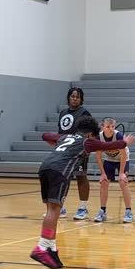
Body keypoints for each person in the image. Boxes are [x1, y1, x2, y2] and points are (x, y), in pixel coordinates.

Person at [31, 114, 135, 269]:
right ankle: (42, 247)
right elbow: (105, 147)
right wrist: (124, 142)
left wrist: (57, 140)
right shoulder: (87, 141)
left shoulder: (66, 137)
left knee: (51, 209)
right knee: (54, 210)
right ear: (90, 134)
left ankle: (51, 249)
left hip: (44, 167)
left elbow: (45, 135)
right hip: (59, 171)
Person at [56, 87, 93, 220]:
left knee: (80, 177)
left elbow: (90, 132)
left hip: (79, 150)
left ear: (81, 99)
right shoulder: (63, 113)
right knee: (61, 178)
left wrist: (86, 149)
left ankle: (83, 208)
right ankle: (60, 207)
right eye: (72, 96)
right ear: (68, 98)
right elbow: (60, 132)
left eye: (77, 97)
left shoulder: (84, 112)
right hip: (64, 150)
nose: (75, 98)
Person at [93, 118, 134, 223]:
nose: (110, 129)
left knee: (123, 182)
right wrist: (102, 173)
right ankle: (103, 211)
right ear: (102, 127)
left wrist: (121, 173)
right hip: (108, 159)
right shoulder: (99, 137)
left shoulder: (118, 136)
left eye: (112, 127)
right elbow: (98, 157)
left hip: (122, 159)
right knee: (104, 183)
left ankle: (129, 212)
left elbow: (124, 155)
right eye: (107, 127)